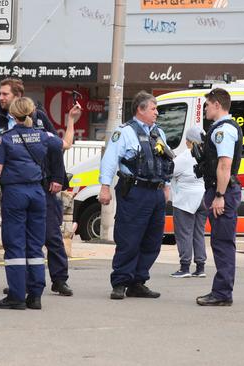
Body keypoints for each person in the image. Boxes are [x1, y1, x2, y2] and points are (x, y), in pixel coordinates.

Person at [0, 78, 81, 296]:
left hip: (38, 188)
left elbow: (56, 153)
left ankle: (57, 279)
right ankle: (27, 286)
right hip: (26, 190)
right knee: (29, 241)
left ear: (17, 98)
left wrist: (57, 177)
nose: (1, 97)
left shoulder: (38, 119)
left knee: (47, 235)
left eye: (5, 94)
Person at [0, 97, 64, 310]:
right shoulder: (43, 135)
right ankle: (35, 296)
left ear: (13, 115)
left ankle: (17, 296)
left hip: (15, 194)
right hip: (37, 193)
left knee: (15, 244)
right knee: (35, 244)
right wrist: (72, 121)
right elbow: (65, 144)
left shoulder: (6, 139)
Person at [99, 91, 174, 300]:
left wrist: (167, 186)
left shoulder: (159, 133)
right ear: (140, 110)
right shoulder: (124, 132)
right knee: (129, 238)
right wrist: (104, 186)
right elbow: (110, 159)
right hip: (134, 191)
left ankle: (138, 282)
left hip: (156, 192)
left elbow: (165, 161)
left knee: (152, 240)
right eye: (153, 108)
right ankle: (121, 282)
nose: (157, 112)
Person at [194, 88, 242, 306]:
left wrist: (220, 196)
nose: (205, 109)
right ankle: (222, 291)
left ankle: (222, 293)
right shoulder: (221, 129)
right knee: (222, 242)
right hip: (221, 190)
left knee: (222, 243)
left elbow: (224, 165)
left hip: (223, 192)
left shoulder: (223, 131)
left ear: (216, 105)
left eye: (207, 105)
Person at [170, 126, 207, 278]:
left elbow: (169, 172)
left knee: (184, 233)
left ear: (189, 142)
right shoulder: (207, 156)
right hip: (203, 198)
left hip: (185, 199)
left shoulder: (184, 157)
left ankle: (185, 267)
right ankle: (200, 267)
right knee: (199, 233)